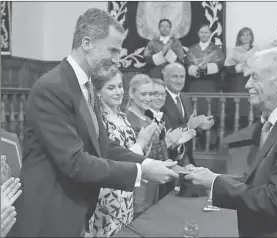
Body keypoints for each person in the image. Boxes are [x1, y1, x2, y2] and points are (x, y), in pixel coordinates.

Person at [10, 9, 178, 237]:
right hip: (48, 214)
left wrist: (147, 163)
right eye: (112, 50)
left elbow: (102, 145)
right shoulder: (52, 87)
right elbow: (75, 162)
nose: (117, 60)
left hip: (73, 211)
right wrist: (142, 172)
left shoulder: (86, 86)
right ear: (87, 43)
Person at [185, 48, 277, 237]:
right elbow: (264, 179)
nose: (247, 84)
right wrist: (213, 177)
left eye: (255, 77)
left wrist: (215, 183)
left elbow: (275, 201)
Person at [87, 66, 160, 237]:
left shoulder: (122, 117)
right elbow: (110, 159)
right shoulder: (99, 122)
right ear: (98, 92)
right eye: (111, 88)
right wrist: (140, 143)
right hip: (108, 194)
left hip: (126, 191)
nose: (118, 92)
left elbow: (134, 155)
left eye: (120, 86)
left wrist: (146, 143)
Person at [125, 74, 182, 217]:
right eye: (143, 94)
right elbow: (131, 157)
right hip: (138, 187)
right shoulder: (128, 119)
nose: (148, 98)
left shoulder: (149, 119)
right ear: (131, 93)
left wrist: (169, 153)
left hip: (153, 184)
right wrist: (166, 143)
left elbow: (156, 154)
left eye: (151, 94)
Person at [161, 63, 215, 197]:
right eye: (175, 76)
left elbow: (189, 126)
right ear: (165, 78)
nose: (179, 80)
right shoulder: (160, 98)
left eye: (182, 76)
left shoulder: (184, 98)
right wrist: (190, 126)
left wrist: (201, 126)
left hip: (185, 158)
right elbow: (166, 131)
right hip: (167, 159)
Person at [225, 27, 260, 128]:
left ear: (251, 37)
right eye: (243, 35)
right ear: (239, 37)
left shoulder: (256, 51)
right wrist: (238, 67)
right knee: (239, 108)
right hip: (238, 82)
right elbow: (228, 68)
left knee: (251, 109)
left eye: (248, 34)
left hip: (252, 82)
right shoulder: (233, 51)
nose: (245, 37)